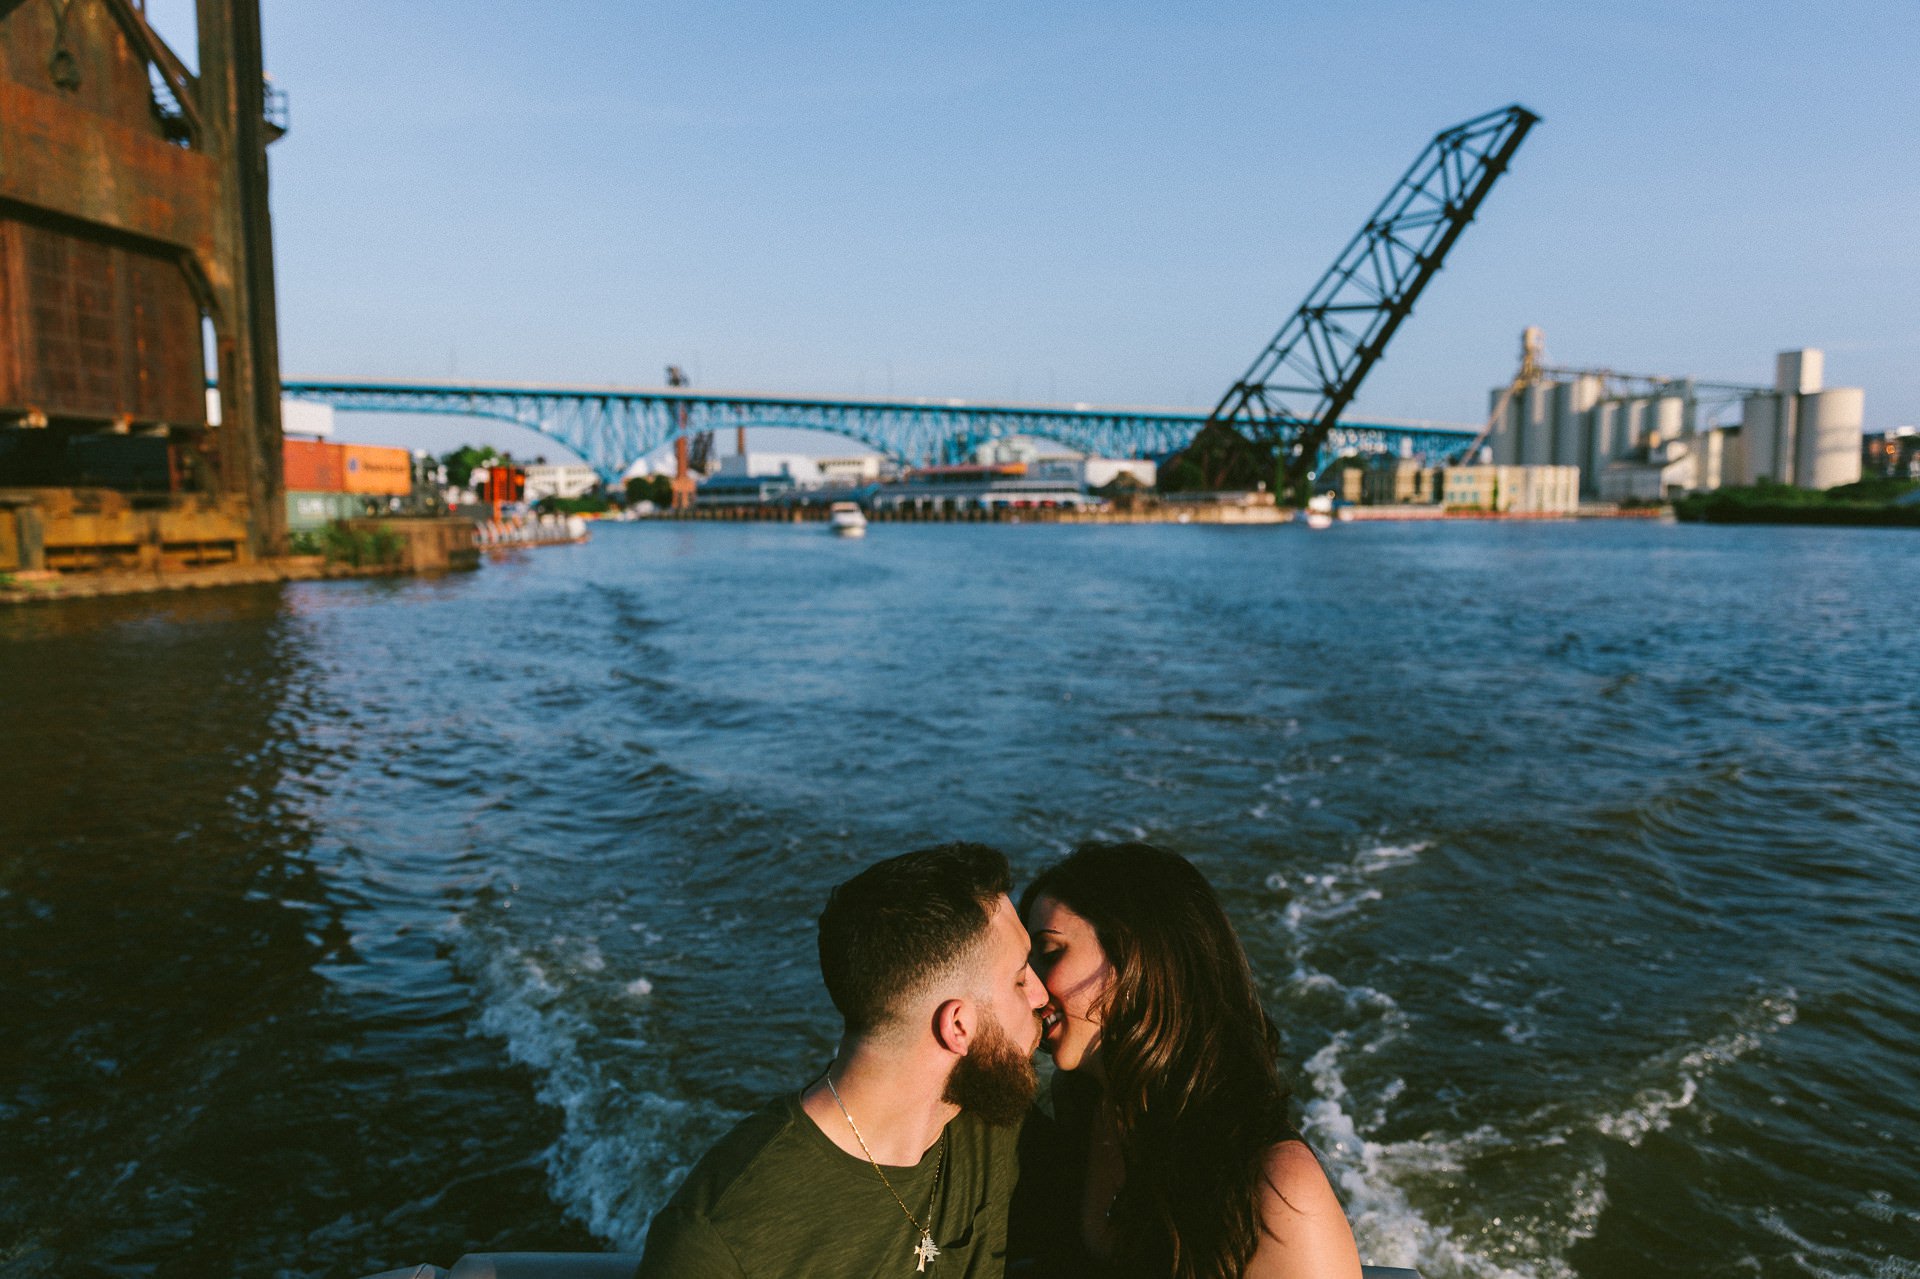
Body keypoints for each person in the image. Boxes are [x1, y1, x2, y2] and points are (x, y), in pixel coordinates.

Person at [638, 842, 1051, 1277]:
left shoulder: (991, 1119)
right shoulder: (719, 1240)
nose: (1042, 996)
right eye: (1021, 980)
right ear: (958, 1027)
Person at [1017, 842, 1363, 1279]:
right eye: (1022, 967)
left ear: (1143, 956)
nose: (1030, 988)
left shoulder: (1274, 1187)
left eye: (1049, 954)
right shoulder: (1078, 1127)